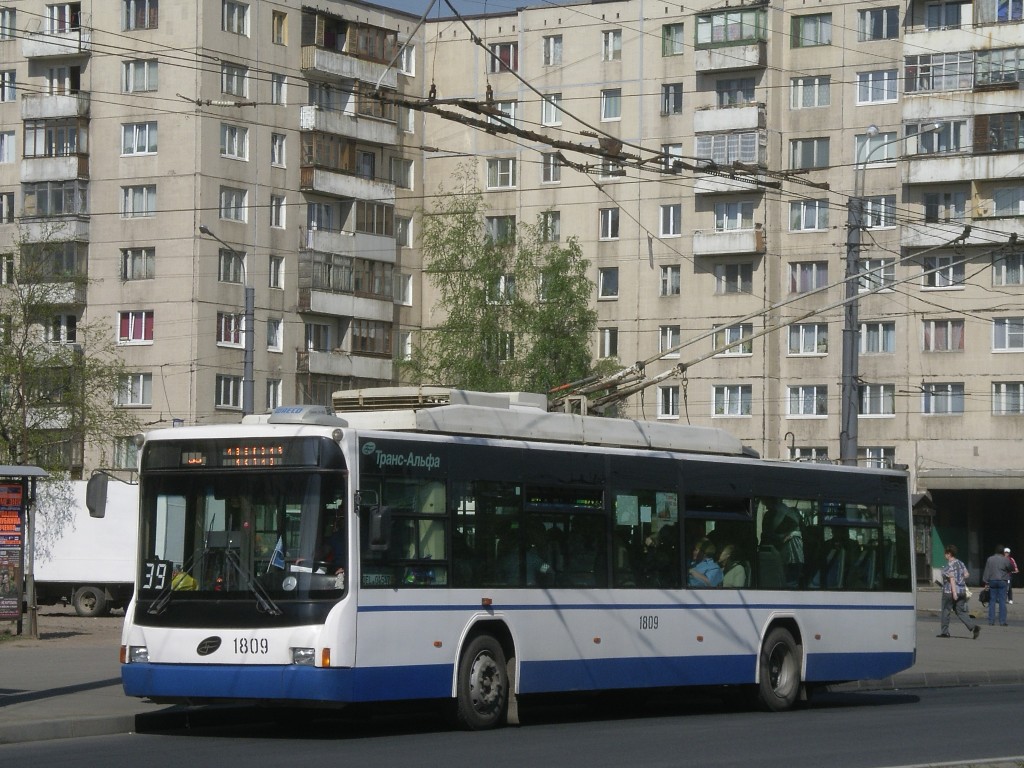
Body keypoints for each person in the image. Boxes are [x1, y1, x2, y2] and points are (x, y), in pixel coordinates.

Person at [938, 544, 980, 639]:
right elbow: (967, 574)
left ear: (949, 554)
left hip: (949, 592)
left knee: (946, 611)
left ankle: (945, 632)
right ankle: (973, 627)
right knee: (960, 611)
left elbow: (952, 579)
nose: (945, 555)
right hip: (962, 591)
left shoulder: (948, 566)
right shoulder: (961, 563)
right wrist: (960, 578)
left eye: (945, 553)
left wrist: (954, 593)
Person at [981, 545, 1014, 626]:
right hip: (1002, 581)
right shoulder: (1005, 559)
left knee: (992, 601)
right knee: (1002, 601)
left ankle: (991, 621)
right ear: (1003, 552)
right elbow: (1011, 568)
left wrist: (986, 581)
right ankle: (1002, 621)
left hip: (992, 581)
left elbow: (987, 571)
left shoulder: (990, 559)